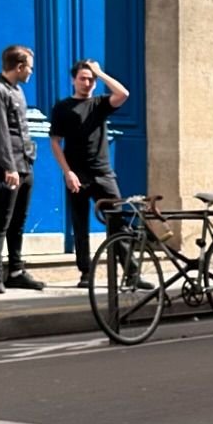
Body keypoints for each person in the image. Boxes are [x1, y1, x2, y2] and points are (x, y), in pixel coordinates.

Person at [48, 60, 131, 286]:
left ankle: (131, 273)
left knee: (117, 221)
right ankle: (86, 273)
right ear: (73, 80)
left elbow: (123, 93)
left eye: (91, 79)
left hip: (103, 173)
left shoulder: (100, 103)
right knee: (80, 224)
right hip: (77, 174)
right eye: (83, 78)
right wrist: (67, 172)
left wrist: (100, 72)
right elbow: (55, 141)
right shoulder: (62, 108)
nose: (88, 83)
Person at [0, 44, 46, 294]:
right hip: (8, 168)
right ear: (19, 67)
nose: (31, 71)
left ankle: (16, 271)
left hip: (25, 164)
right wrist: (9, 167)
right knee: (2, 221)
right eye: (29, 66)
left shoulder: (17, 91)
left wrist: (24, 164)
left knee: (19, 221)